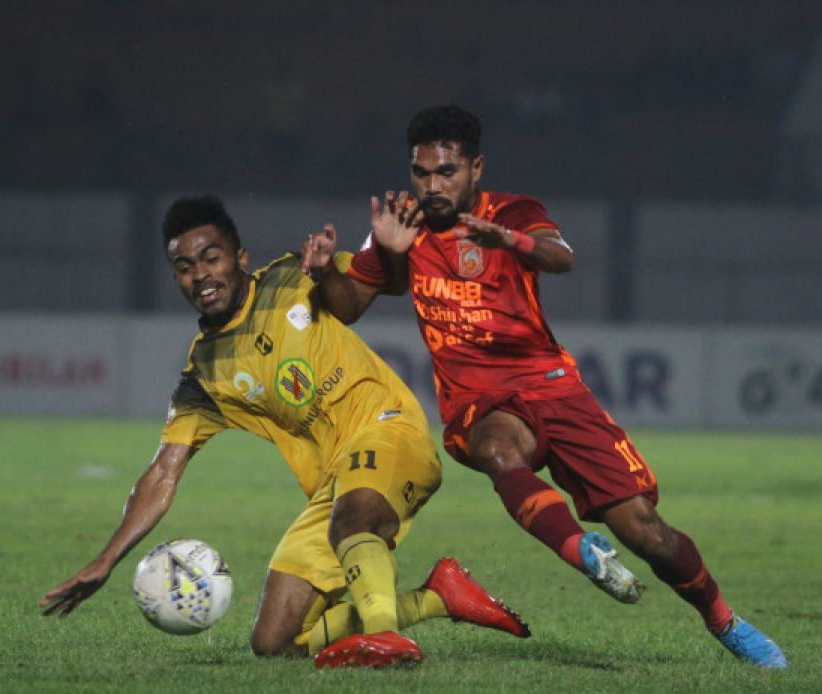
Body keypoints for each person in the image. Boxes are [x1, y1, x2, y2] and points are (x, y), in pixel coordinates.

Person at [303, 105, 787, 669]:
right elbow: (349, 306)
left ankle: (724, 620)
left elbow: (563, 257)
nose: (432, 185)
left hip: (554, 387)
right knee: (498, 449)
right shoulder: (401, 226)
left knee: (649, 534)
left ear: (475, 168)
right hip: (480, 401)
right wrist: (326, 275)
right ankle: (579, 550)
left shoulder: (514, 211)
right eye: (422, 172)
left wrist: (508, 240)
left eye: (447, 172)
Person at [40, 194, 530, 668]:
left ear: (240, 257)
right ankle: (438, 597)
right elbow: (161, 474)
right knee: (276, 641)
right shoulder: (206, 372)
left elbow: (383, 282)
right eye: (185, 267)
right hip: (334, 484)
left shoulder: (294, 275)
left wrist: (382, 251)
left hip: (390, 429)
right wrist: (106, 560)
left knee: (354, 521)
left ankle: (385, 634)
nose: (200, 275)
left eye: (210, 258)